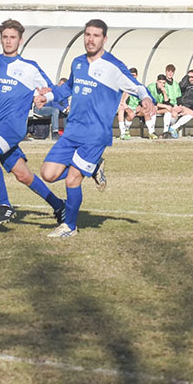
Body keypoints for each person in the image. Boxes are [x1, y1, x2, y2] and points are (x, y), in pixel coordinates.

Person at [34, 19, 156, 239]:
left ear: (105, 39)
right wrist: (48, 96)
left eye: (96, 35)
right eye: (87, 34)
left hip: (95, 135)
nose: (90, 39)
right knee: (48, 174)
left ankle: (69, 226)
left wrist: (147, 98)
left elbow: (137, 86)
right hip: (72, 131)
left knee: (72, 178)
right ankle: (93, 167)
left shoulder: (113, 66)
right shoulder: (78, 63)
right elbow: (69, 88)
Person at [0, 19, 67, 227]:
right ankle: (59, 206)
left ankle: (5, 206)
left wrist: (64, 106)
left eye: (13, 37)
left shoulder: (29, 68)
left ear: (20, 40)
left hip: (13, 126)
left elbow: (51, 89)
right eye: (5, 37)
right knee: (23, 175)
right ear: (1, 39)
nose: (8, 41)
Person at [170, 69, 193, 137]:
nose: (192, 79)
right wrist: (187, 77)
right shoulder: (184, 85)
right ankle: (172, 128)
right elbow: (182, 86)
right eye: (191, 77)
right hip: (185, 105)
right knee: (190, 113)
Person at [116, 68, 145, 140]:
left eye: (133, 75)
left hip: (132, 108)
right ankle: (122, 133)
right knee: (121, 109)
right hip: (120, 106)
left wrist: (140, 105)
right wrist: (123, 102)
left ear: (137, 76)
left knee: (133, 113)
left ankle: (151, 132)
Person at [144, 74, 175, 139]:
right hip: (150, 106)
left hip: (159, 107)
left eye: (163, 83)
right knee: (154, 108)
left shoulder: (165, 88)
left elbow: (167, 102)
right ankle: (152, 132)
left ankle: (165, 132)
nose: (161, 84)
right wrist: (165, 106)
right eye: (160, 82)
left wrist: (164, 93)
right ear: (157, 81)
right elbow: (152, 101)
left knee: (169, 110)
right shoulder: (151, 87)